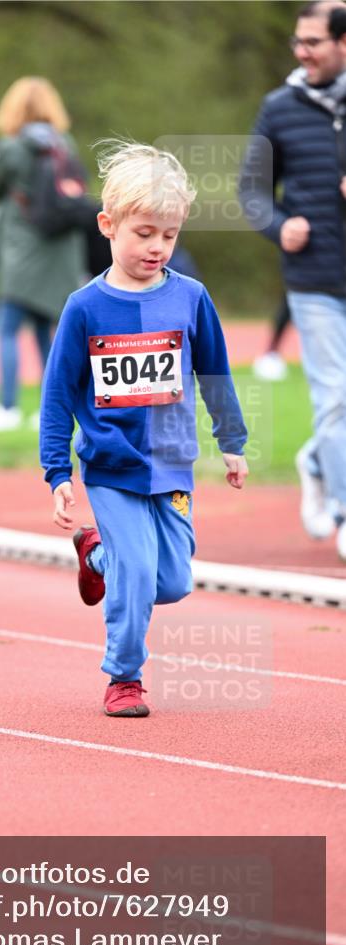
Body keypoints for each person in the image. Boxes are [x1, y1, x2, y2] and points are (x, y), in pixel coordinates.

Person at [40, 141, 248, 718]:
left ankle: (96, 555)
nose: (157, 247)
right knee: (136, 573)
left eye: (170, 236)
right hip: (111, 466)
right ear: (109, 225)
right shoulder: (84, 307)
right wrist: (57, 470)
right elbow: (57, 394)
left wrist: (232, 442)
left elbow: (214, 372)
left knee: (173, 582)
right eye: (145, 233)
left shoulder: (191, 298)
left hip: (173, 461)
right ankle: (124, 676)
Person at [240, 0, 346, 556]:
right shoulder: (279, 108)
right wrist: (281, 226)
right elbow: (251, 194)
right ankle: (345, 508)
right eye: (297, 42)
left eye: (314, 42)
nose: (302, 52)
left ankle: (314, 461)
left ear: (344, 44)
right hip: (314, 279)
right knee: (333, 396)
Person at [0, 77, 86, 434]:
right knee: (48, 332)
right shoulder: (65, 144)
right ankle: (54, 410)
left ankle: (7, 406)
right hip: (61, 250)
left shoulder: (11, 146)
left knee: (7, 328)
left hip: (22, 249)